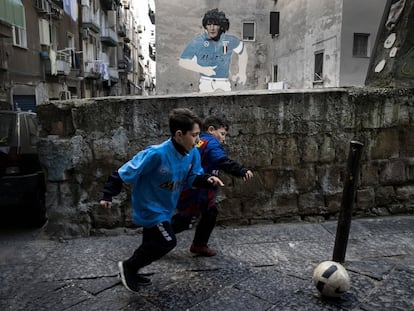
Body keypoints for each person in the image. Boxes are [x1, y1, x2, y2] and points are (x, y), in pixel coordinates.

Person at [99, 108, 224, 293]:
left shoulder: (192, 153)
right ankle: (128, 267)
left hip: (166, 208)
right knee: (167, 242)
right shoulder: (156, 154)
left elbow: (193, 177)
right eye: (195, 135)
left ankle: (131, 271)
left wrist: (207, 179)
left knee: (149, 244)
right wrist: (108, 194)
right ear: (179, 134)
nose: (199, 140)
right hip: (149, 207)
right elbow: (124, 172)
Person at [172, 115, 253, 256]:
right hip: (198, 189)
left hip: (197, 187)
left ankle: (198, 244)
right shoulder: (211, 143)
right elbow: (222, 160)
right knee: (185, 220)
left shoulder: (199, 142)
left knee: (208, 213)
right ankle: (157, 236)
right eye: (222, 134)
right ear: (211, 130)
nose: (223, 139)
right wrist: (241, 170)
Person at [179, 8, 248, 93]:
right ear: (205, 26)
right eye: (209, 24)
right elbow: (182, 61)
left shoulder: (229, 40)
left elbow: (242, 51)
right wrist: (203, 69)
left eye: (215, 24)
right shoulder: (198, 41)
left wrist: (242, 72)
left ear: (221, 26)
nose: (212, 28)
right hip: (206, 83)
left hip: (224, 83)